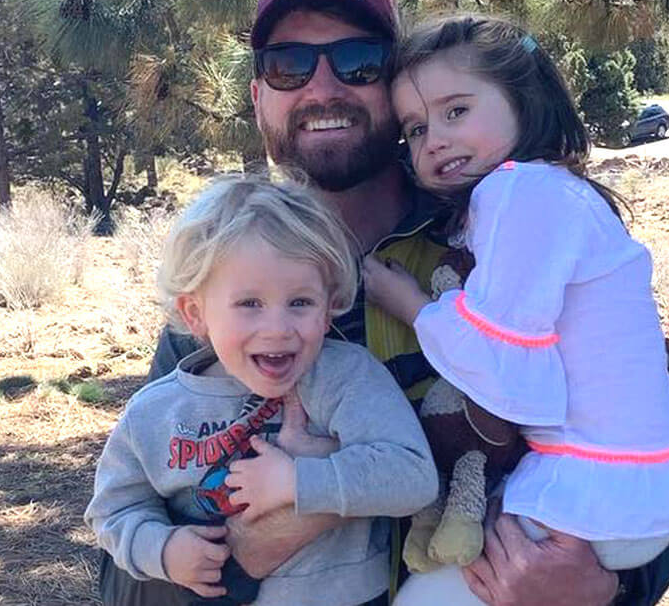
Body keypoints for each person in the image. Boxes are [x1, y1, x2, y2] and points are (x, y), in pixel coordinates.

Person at [99, 0, 669, 606]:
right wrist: (260, 541)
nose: (322, 87)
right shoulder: (216, 301)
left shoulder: (501, 250)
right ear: (258, 97)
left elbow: (637, 442)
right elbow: (128, 566)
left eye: (358, 61)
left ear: (401, 85)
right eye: (288, 64)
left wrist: (609, 587)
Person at [361, 12, 669, 604]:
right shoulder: (557, 193)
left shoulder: (519, 191)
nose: (436, 139)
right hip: (632, 485)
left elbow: (508, 370)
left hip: (588, 489)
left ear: (523, 101)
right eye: (416, 129)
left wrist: (409, 304)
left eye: (457, 111)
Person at [86, 175, 436, 606]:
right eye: (249, 304)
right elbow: (113, 511)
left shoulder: (344, 378)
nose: (278, 329)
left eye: (300, 302)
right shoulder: (154, 413)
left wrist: (298, 481)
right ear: (196, 314)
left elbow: (414, 477)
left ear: (329, 309)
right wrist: (163, 550)